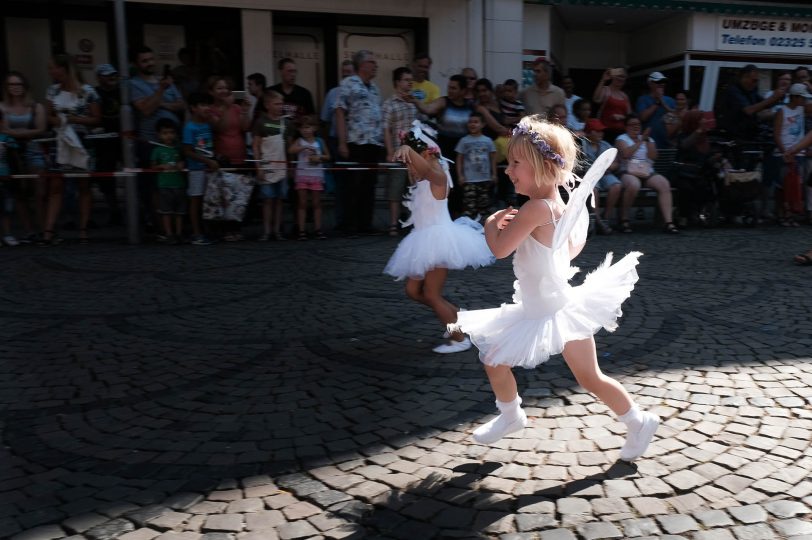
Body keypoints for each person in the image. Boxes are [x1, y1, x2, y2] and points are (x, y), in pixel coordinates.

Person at [451, 115, 659, 463]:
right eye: (509, 162)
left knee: (503, 361)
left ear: (543, 167)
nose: (508, 170)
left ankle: (635, 421)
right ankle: (515, 415)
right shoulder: (558, 206)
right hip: (549, 305)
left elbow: (499, 249)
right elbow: (568, 248)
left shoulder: (535, 208)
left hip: (550, 310)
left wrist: (490, 223)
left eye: (516, 163)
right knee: (571, 373)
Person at [384, 122, 494, 353]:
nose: (410, 168)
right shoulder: (423, 175)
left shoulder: (437, 175)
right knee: (413, 292)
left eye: (412, 161)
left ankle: (459, 338)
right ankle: (456, 314)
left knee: (432, 294)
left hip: (438, 241)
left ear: (426, 153)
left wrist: (409, 150)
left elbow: (423, 170)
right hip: (422, 239)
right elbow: (418, 172)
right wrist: (410, 153)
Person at [45, 53, 101, 245]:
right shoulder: (52, 91)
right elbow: (48, 117)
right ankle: (49, 230)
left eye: (53, 67)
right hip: (60, 139)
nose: (51, 71)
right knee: (56, 185)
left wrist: (75, 119)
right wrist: (60, 121)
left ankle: (83, 228)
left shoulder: (87, 91)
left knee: (84, 185)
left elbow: (96, 118)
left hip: (82, 140)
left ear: (64, 68)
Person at [130, 45, 185, 234]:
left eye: (151, 59)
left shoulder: (167, 81)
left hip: (173, 141)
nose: (150, 63)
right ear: (136, 64)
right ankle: (160, 226)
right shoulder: (134, 84)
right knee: (155, 186)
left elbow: (181, 105)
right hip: (151, 142)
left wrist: (160, 103)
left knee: (175, 181)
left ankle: (175, 226)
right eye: (145, 60)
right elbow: (145, 109)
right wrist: (161, 91)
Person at [335, 50, 384, 235]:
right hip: (356, 142)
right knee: (352, 185)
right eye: (372, 62)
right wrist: (342, 142)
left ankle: (366, 223)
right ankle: (349, 224)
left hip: (373, 143)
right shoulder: (348, 84)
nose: (375, 65)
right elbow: (339, 112)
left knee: (369, 185)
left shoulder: (375, 87)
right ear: (362, 65)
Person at [0, 71, 47, 243]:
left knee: (39, 191)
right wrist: (23, 133)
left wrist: (15, 132)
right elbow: (2, 130)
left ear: (24, 86)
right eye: (11, 85)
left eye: (18, 84)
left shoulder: (36, 106)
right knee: (18, 192)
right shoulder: (2, 107)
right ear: (6, 88)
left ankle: (43, 229)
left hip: (33, 150)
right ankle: (29, 230)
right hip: (11, 152)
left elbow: (41, 129)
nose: (15, 88)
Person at [614, 114, 679, 234]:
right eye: (632, 125)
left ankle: (668, 222)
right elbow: (626, 154)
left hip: (646, 172)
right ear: (626, 127)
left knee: (664, 184)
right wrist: (640, 140)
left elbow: (653, 157)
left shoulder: (648, 139)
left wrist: (647, 141)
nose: (635, 127)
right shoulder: (621, 139)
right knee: (634, 184)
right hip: (628, 171)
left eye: (637, 124)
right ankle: (624, 220)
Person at [207, 76, 251, 241]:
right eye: (219, 88)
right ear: (211, 92)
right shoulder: (211, 110)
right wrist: (226, 107)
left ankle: (236, 227)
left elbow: (245, 128)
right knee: (224, 195)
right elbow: (219, 127)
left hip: (239, 156)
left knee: (238, 195)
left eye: (226, 87)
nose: (224, 91)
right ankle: (224, 229)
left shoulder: (236, 108)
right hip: (222, 157)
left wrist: (245, 111)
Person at [382, 66, 418, 236]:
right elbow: (386, 129)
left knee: (414, 190)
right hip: (397, 153)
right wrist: (389, 151)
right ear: (397, 82)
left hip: (414, 155)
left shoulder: (413, 103)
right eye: (406, 80)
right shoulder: (389, 104)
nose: (409, 83)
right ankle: (393, 224)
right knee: (395, 190)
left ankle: (412, 223)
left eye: (411, 80)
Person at [253, 89, 291, 241]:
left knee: (279, 200)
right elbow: (256, 146)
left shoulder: (286, 123)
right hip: (267, 165)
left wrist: (290, 166)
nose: (280, 106)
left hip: (282, 165)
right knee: (267, 200)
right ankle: (267, 231)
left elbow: (289, 147)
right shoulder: (260, 122)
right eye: (277, 103)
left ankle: (277, 230)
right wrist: (258, 167)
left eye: (282, 103)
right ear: (267, 105)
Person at [182, 92, 217, 245]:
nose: (207, 108)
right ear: (193, 108)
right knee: (195, 201)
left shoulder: (207, 125)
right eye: (203, 105)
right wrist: (207, 161)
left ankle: (206, 230)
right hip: (196, 169)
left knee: (206, 201)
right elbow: (187, 151)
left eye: (208, 105)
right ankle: (196, 233)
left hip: (208, 168)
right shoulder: (189, 127)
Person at [773, 83, 811, 227]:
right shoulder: (782, 111)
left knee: (796, 184)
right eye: (802, 98)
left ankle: (792, 214)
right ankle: (783, 213)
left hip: (798, 152)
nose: (804, 101)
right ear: (795, 97)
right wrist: (784, 152)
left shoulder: (802, 109)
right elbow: (776, 135)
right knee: (783, 185)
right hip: (784, 152)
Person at [289, 114, 329, 240]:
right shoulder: (299, 141)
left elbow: (328, 156)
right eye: (303, 128)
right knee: (302, 203)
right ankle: (302, 230)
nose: (306, 130)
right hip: (302, 175)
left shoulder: (319, 141)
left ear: (314, 128)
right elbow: (291, 150)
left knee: (317, 203)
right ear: (299, 130)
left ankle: (318, 229)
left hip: (316, 175)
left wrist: (319, 157)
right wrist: (303, 147)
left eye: (308, 127)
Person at [93, 63, 123, 226]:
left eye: (113, 74)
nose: (111, 77)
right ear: (99, 77)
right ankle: (114, 210)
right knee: (105, 178)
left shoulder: (122, 92)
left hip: (122, 139)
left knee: (130, 173)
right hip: (103, 141)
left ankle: (136, 209)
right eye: (107, 75)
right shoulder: (94, 93)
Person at [579, 118, 620, 234]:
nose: (601, 133)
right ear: (589, 132)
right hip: (590, 175)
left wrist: (610, 166)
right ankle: (598, 221)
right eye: (597, 131)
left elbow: (616, 163)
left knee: (616, 186)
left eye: (601, 131)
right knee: (593, 190)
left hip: (605, 174)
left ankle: (605, 218)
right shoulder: (582, 145)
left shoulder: (605, 145)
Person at [455, 113, 497, 221]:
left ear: (483, 124)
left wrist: (494, 174)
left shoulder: (488, 140)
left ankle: (483, 229)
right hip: (469, 180)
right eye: (470, 122)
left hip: (485, 179)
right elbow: (459, 159)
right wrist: (460, 176)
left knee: (484, 207)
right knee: (469, 207)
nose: (472, 124)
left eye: (476, 122)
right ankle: (469, 229)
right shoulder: (464, 141)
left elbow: (492, 159)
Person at [150, 118, 186, 244]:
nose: (169, 136)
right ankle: (169, 233)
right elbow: (153, 166)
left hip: (179, 184)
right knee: (166, 211)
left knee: (179, 211)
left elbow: (182, 162)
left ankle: (179, 233)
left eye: (171, 132)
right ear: (159, 135)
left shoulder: (178, 149)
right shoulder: (157, 150)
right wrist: (161, 166)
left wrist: (181, 165)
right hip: (164, 185)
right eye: (165, 133)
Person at [636, 72, 677, 149]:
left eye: (663, 82)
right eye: (658, 82)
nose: (661, 84)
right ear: (650, 84)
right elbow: (643, 118)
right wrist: (657, 102)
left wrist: (662, 101)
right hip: (648, 144)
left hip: (666, 144)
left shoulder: (670, 100)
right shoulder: (643, 99)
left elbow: (676, 118)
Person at [592, 67, 631, 143]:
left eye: (623, 76)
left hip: (621, 133)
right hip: (606, 131)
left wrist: (622, 117)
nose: (621, 79)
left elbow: (629, 115)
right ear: (613, 76)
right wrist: (603, 79)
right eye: (619, 76)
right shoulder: (606, 90)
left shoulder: (624, 96)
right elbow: (596, 99)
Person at [269, 58, 315, 122]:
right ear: (281, 72)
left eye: (295, 71)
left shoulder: (305, 93)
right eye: (290, 71)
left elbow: (311, 117)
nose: (293, 75)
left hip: (297, 131)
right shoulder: (271, 92)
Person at [0, 112, 20, 245]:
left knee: (6, 208)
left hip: (4, 177)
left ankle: (7, 234)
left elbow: (15, 146)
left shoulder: (5, 137)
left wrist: (7, 144)